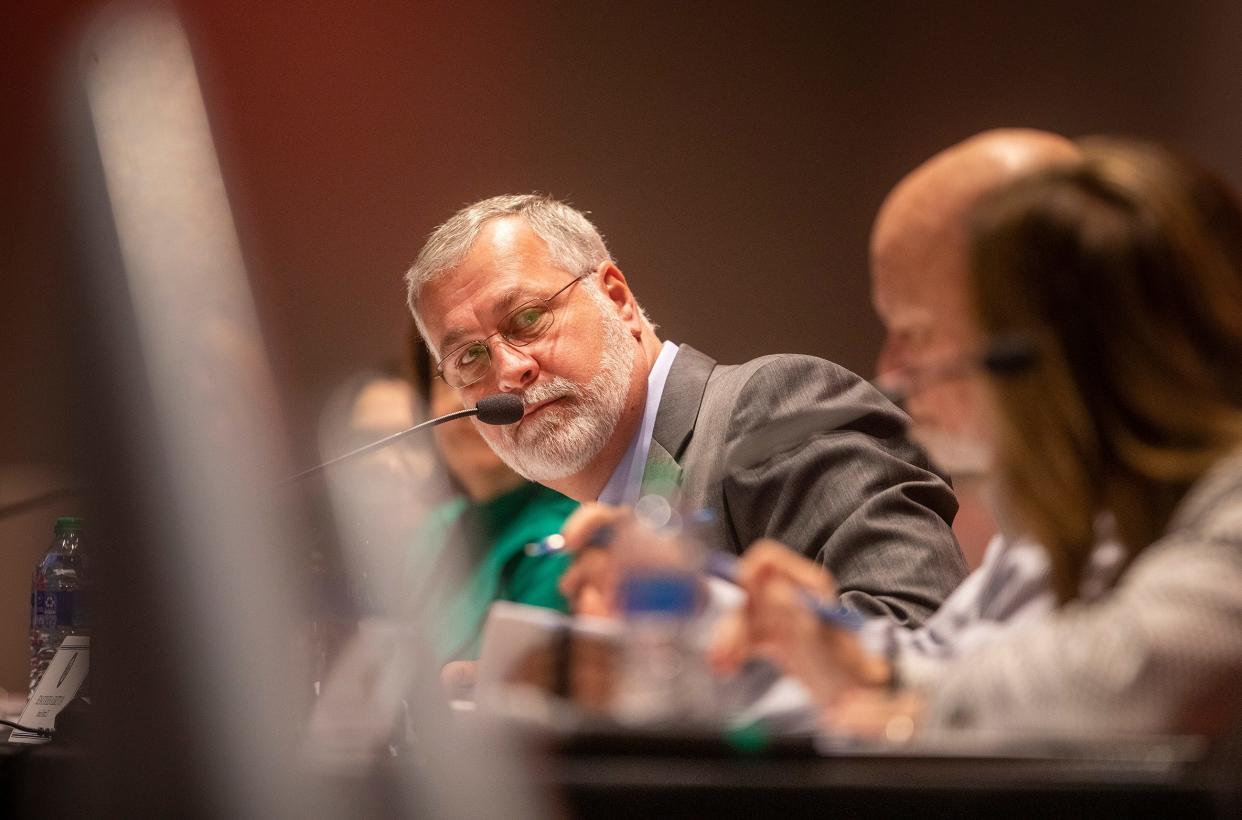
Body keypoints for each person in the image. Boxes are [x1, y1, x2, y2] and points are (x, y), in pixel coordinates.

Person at [720, 139, 1242, 737]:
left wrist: (901, 703)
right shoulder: (1105, 513)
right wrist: (836, 653)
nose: (895, 371)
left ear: (1061, 355)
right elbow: (952, 653)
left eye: (924, 333)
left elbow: (1136, 673)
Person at [405, 194, 966, 626]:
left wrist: (688, 613)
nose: (508, 371)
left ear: (617, 300)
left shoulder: (775, 407)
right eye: (470, 358)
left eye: (528, 319)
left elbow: (914, 631)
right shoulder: (601, 521)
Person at [402, 330, 578, 663]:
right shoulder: (435, 530)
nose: (465, 404)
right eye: (450, 376)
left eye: (484, 371)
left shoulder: (565, 535)